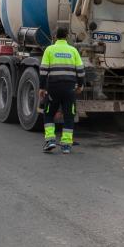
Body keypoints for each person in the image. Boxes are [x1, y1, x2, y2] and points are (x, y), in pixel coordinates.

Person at [39, 26, 85, 154]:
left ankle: (50, 141)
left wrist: (42, 88)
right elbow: (81, 71)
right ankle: (66, 145)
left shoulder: (49, 50)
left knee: (48, 114)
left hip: (53, 88)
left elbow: (43, 71)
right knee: (69, 116)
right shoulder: (73, 51)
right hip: (69, 89)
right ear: (67, 37)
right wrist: (80, 86)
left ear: (55, 37)